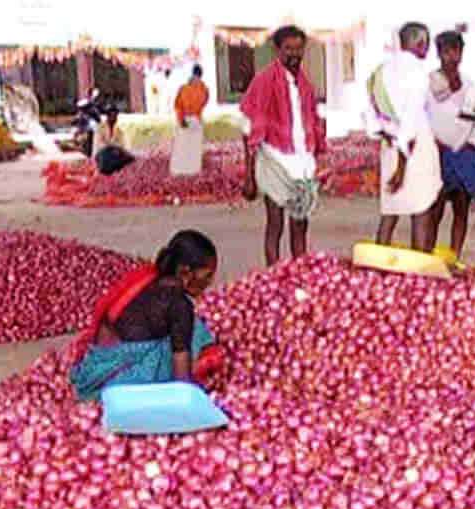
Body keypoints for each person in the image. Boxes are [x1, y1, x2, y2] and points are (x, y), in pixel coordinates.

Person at [69, 230, 225, 401]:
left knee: (186, 330)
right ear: (185, 273)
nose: (210, 283)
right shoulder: (180, 305)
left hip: (92, 373)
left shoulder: (146, 280)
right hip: (118, 386)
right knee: (196, 332)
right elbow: (182, 382)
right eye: (207, 275)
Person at [240, 25, 328, 267]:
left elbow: (315, 124)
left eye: (299, 48)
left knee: (300, 225)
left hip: (303, 165)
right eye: (288, 48)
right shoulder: (264, 81)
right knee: (275, 224)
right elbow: (247, 130)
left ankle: (298, 274)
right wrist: (248, 175)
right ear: (277, 49)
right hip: (274, 162)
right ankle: (275, 276)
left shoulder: (305, 85)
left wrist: (318, 162)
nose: (294, 54)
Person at [368, 22, 442, 252]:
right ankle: (418, 273)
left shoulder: (379, 72)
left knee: (390, 212)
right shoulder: (418, 74)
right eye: (426, 44)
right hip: (413, 150)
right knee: (420, 210)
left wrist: (386, 134)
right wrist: (402, 167)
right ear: (421, 44)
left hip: (388, 145)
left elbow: (371, 116)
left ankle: (376, 272)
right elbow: (409, 125)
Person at [426, 30, 475, 260]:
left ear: (462, 53)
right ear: (438, 54)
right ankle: (428, 253)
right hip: (437, 152)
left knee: (461, 209)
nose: (451, 57)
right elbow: (427, 111)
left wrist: (472, 144)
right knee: (435, 208)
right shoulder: (430, 82)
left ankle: (455, 255)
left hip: (465, 153)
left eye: (456, 51)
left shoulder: (471, 86)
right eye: (446, 51)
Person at [171, 65, 209, 176]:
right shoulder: (203, 89)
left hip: (188, 119)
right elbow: (203, 102)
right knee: (190, 148)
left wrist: (181, 118)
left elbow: (178, 105)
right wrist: (183, 118)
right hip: (194, 120)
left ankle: (185, 170)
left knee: (186, 148)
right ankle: (191, 170)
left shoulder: (185, 88)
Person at [93, 105, 135, 175]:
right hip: (102, 153)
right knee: (106, 156)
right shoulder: (100, 128)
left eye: (116, 116)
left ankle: (115, 170)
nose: (114, 118)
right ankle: (105, 170)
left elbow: (122, 145)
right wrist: (112, 147)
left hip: (114, 152)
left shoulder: (118, 130)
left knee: (129, 158)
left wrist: (120, 150)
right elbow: (99, 145)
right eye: (112, 116)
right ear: (108, 116)